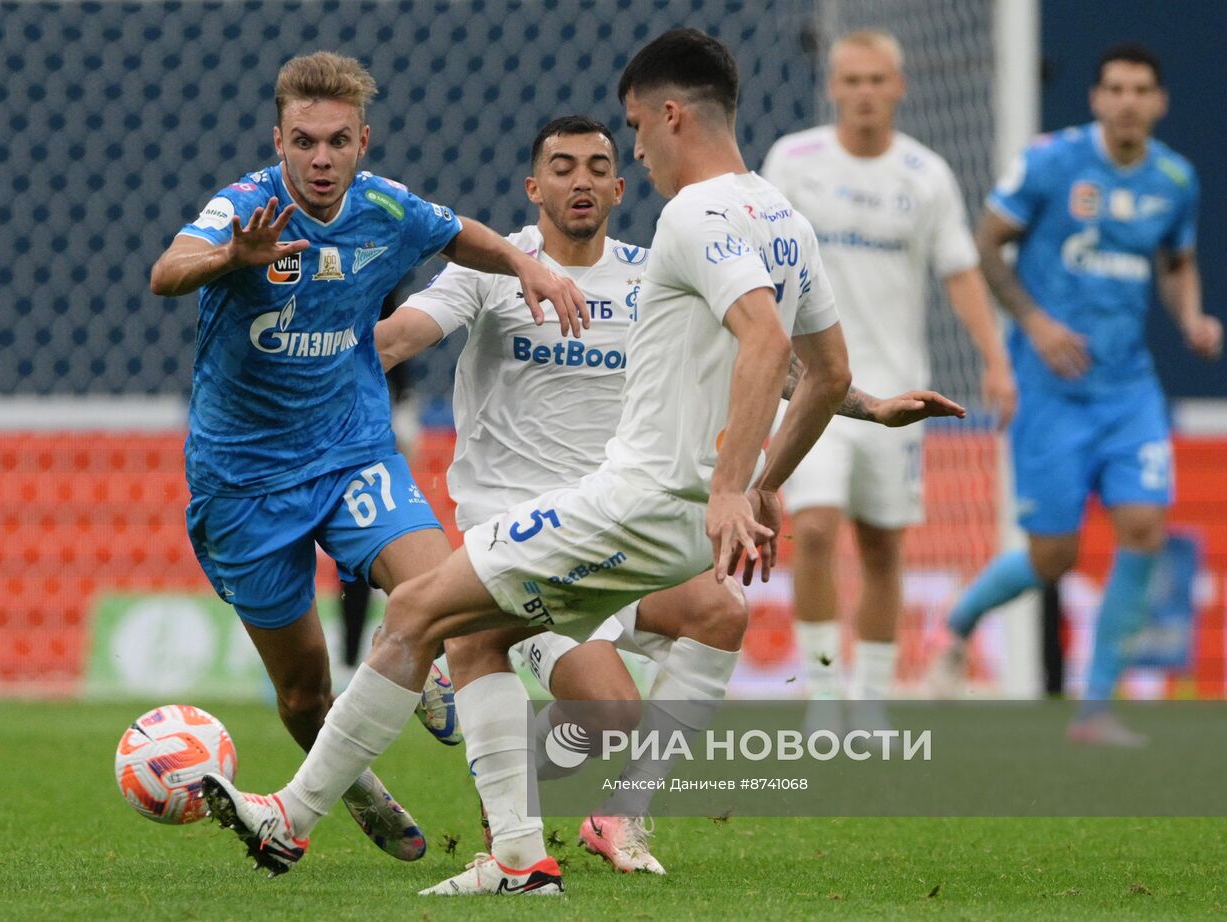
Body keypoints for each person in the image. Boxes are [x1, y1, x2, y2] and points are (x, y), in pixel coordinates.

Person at [377, 114, 966, 875]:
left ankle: (610, 815)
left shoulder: (650, 270)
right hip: (521, 526)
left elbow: (779, 364)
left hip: (615, 515)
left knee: (722, 611)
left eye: (597, 166)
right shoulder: (495, 269)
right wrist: (317, 361)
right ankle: (488, 747)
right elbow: (398, 338)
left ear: (621, 187)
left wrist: (871, 406)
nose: (581, 180)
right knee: (612, 711)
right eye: (562, 167)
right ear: (533, 187)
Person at [148, 50, 586, 863]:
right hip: (241, 484)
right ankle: (354, 787)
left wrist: (528, 263)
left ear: (362, 141)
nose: (320, 159)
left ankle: (509, 837)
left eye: (337, 142)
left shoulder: (385, 208)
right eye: (304, 141)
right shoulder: (245, 208)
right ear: (277, 139)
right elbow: (166, 272)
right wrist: (229, 261)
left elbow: (460, 236)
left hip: (352, 454)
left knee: (445, 595)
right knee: (303, 689)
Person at [931, 44, 1221, 744]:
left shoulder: (1175, 178)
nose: (1127, 100)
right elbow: (986, 243)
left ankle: (1094, 709)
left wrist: (1189, 317)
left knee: (1145, 527)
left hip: (1129, 390)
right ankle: (960, 624)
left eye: (1140, 89)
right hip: (1050, 388)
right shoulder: (1050, 162)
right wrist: (1035, 322)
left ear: (1159, 103)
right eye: (1115, 88)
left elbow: (1177, 261)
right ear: (1095, 99)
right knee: (1053, 556)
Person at [760, 29, 1015, 709]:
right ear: (834, 87)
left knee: (881, 547)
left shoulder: (925, 174)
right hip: (812, 385)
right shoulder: (793, 160)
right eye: (852, 81)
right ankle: (820, 693)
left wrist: (995, 358)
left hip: (896, 391)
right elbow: (753, 256)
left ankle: (869, 699)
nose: (864, 93)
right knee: (812, 528)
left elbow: (960, 273)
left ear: (898, 87)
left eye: (877, 80)